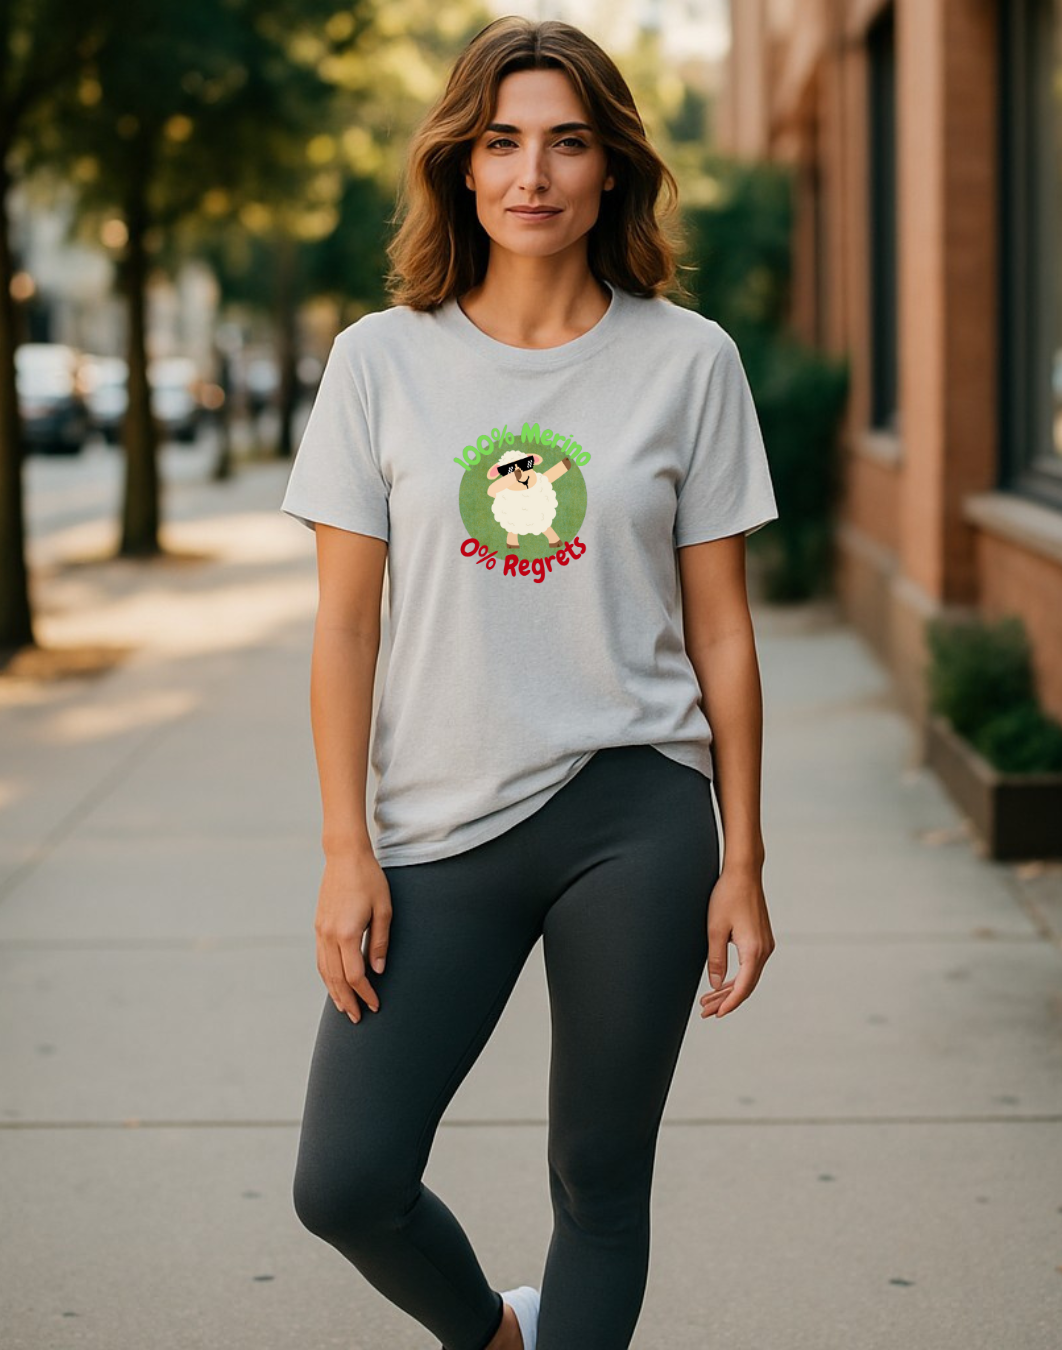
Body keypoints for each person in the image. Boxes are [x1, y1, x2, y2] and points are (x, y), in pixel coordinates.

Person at [280, 16, 779, 1350]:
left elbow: (724, 633)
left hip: (637, 811)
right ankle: (501, 1336)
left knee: (599, 1181)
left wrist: (742, 858)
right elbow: (345, 628)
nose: (533, 174)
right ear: (461, 162)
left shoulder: (691, 361)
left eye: (567, 142)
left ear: (612, 168)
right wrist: (344, 847)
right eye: (502, 142)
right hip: (437, 818)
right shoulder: (380, 361)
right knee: (346, 1180)